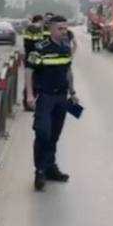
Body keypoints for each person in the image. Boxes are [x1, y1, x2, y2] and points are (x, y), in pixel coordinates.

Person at [27, 15, 77, 191]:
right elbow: (29, 71)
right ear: (51, 30)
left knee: (54, 135)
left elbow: (68, 71)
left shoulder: (65, 47)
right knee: (42, 133)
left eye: (65, 28)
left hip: (62, 98)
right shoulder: (40, 48)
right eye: (60, 29)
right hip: (46, 97)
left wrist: (73, 92)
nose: (64, 32)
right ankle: (40, 170)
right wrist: (30, 95)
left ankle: (50, 168)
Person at [22, 14, 45, 112]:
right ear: (40, 20)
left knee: (30, 79)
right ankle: (30, 103)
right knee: (34, 79)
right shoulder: (36, 28)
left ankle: (27, 103)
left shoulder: (28, 28)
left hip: (29, 54)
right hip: (34, 55)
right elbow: (37, 43)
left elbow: (28, 43)